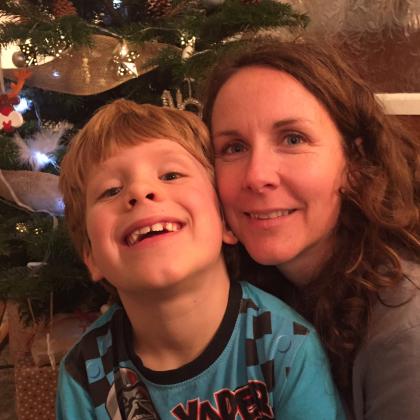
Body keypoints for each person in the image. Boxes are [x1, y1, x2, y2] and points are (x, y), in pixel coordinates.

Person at [56, 99, 345, 419]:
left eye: (170, 174)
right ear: (91, 255)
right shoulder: (84, 374)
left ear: (225, 221)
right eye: (111, 190)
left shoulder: (286, 347)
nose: (140, 191)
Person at [202, 39, 420, 420]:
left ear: (354, 162)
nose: (257, 177)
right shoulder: (254, 296)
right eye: (234, 147)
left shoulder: (405, 332)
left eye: (292, 139)